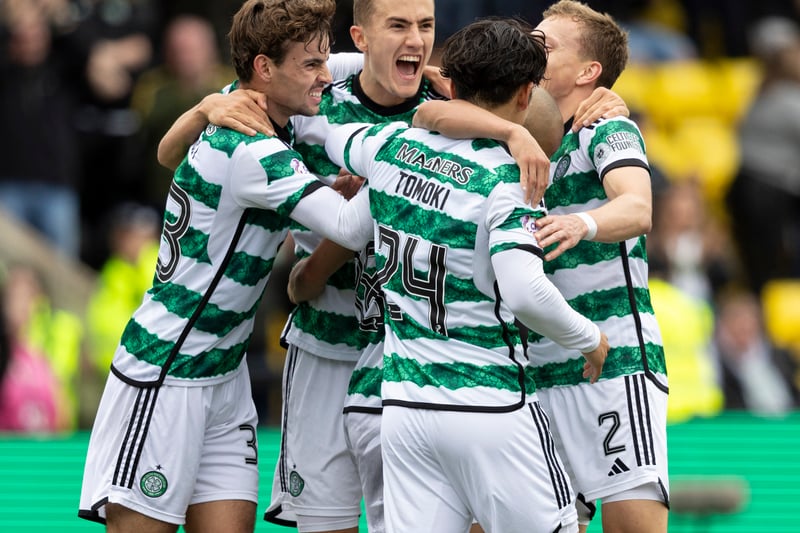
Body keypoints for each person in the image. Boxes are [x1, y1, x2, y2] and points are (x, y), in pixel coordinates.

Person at [77, 1, 372, 530]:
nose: (326, 77)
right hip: (168, 369)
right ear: (264, 68)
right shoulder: (253, 150)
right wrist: (409, 164)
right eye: (311, 65)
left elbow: (354, 66)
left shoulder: (242, 100)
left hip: (225, 370)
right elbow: (349, 229)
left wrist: (426, 70)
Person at [321, 18, 609, 532]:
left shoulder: (389, 148)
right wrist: (589, 339)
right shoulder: (507, 182)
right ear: (526, 95)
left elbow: (332, 135)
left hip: (406, 406)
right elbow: (525, 292)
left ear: (453, 86)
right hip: (491, 404)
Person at [413, 2, 670, 532]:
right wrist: (512, 134)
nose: (531, 51)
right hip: (528, 369)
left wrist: (584, 225)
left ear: (587, 73)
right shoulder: (510, 134)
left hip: (612, 362)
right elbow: (427, 110)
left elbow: (638, 208)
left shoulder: (606, 129)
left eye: (544, 45)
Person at [727, 16, 800, 293]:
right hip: (770, 198)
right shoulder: (787, 99)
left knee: (761, 273)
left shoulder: (759, 94)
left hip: (750, 190)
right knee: (772, 273)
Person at [713, 288, 800, 415]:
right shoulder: (716, 361)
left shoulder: (780, 354)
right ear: (724, 324)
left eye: (748, 319)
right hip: (744, 427)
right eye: (736, 319)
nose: (743, 326)